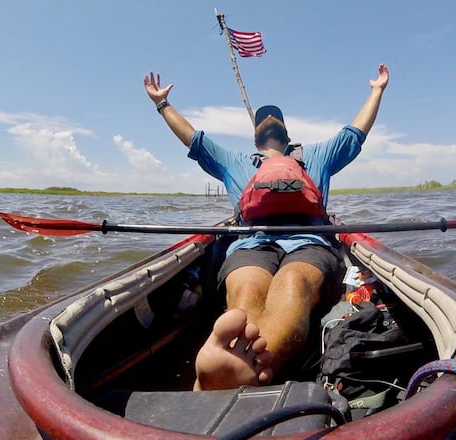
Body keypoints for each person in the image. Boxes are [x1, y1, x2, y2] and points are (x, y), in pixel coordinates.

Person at [143, 64, 389, 391]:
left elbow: (356, 132)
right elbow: (192, 137)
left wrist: (376, 91)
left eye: (274, 116)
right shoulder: (233, 161)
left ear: (285, 131)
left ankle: (252, 365)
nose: (268, 118)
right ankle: (234, 361)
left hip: (309, 244)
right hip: (249, 245)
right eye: (263, 117)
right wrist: (163, 104)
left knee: (293, 283)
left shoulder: (318, 155)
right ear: (256, 133)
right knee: (246, 288)